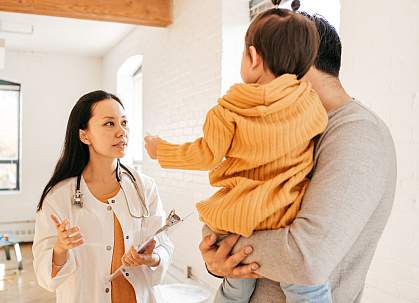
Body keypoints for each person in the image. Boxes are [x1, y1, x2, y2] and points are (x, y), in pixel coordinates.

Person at [199, 12, 397, 303]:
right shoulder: (291, 130)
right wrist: (217, 261)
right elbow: (234, 209)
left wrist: (224, 243)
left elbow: (304, 258)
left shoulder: (358, 132)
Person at [144, 3, 334, 302]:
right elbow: (319, 129)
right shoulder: (310, 103)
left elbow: (206, 155)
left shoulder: (228, 110)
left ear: (254, 57)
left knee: (235, 284)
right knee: (307, 288)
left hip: (238, 219)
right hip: (286, 215)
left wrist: (160, 150)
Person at [32, 90, 173, 303]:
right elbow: (45, 277)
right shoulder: (58, 197)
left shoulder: (144, 187)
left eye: (124, 123)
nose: (121, 131)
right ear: (84, 135)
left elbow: (164, 245)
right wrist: (60, 248)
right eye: (109, 124)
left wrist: (152, 258)